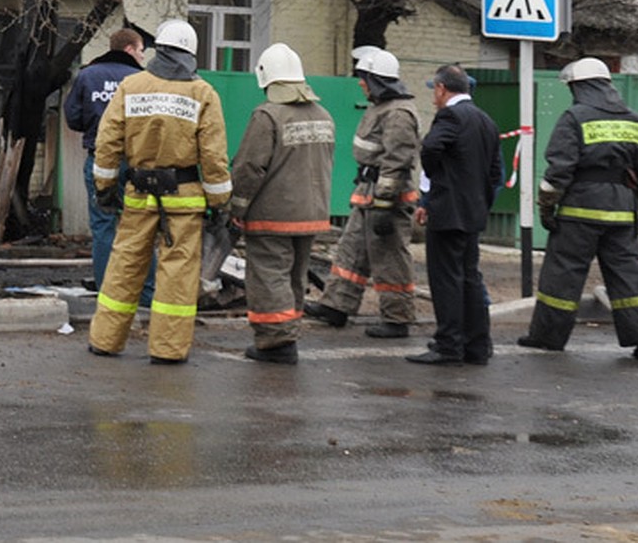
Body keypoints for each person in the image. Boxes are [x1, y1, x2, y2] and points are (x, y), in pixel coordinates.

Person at [86, 19, 232, 364]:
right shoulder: (203, 93)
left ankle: (105, 340)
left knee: (124, 265)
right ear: (191, 55)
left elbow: (107, 141)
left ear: (160, 49)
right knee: (177, 274)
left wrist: (104, 188)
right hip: (183, 199)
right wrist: (220, 202)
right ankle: (167, 349)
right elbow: (213, 155)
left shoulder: (131, 86)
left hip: (139, 193)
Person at [517, 57, 638, 361]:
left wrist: (546, 211)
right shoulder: (634, 119)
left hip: (579, 212)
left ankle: (548, 338)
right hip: (622, 211)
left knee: (563, 275)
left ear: (580, 87)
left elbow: (558, 171)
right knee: (628, 276)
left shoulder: (574, 117)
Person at [230, 43, 335, 365]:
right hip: (311, 214)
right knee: (295, 276)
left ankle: (276, 342)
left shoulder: (267, 115)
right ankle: (289, 331)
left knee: (269, 275)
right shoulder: (323, 115)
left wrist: (236, 208)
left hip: (272, 215)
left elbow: (249, 167)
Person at [304, 47, 420, 338]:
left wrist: (384, 205)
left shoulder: (399, 114)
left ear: (378, 80)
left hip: (386, 199)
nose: (359, 83)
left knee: (390, 258)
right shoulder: (380, 107)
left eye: (364, 77)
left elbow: (397, 162)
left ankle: (397, 318)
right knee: (351, 252)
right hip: (369, 192)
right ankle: (335, 306)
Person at [406, 64, 502, 366]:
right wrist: (480, 200)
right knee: (469, 278)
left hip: (448, 211)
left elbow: (431, 147)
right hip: (473, 212)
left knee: (446, 279)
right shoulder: (486, 119)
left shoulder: (450, 115)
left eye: (434, 91)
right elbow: (495, 171)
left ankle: (448, 345)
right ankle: (477, 345)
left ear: (441, 88)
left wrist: (436, 186)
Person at [62, 28, 155, 305]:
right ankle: (147, 293)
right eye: (140, 50)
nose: (142, 56)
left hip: (100, 159)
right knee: (141, 226)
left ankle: (107, 295)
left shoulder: (88, 75)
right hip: (139, 162)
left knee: (103, 226)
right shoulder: (143, 79)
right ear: (128, 49)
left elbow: (73, 118)